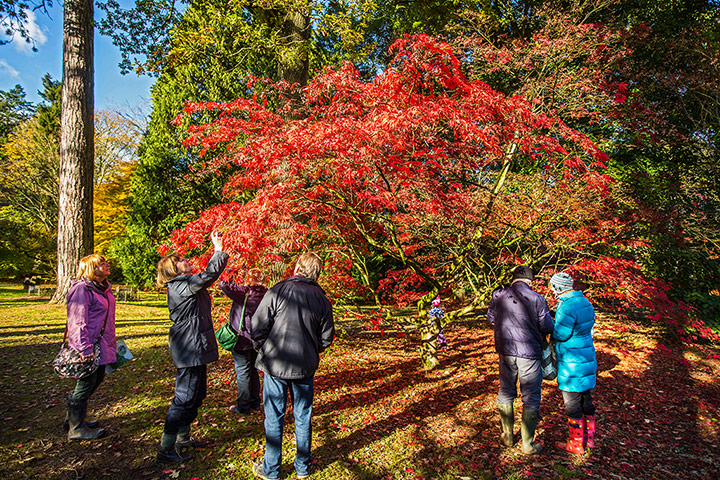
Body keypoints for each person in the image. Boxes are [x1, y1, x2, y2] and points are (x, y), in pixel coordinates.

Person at [251, 252, 335, 480]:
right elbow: (327, 338)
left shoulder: (277, 291)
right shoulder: (322, 299)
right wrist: (310, 348)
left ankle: (271, 469)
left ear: (297, 267)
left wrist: (262, 348)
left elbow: (257, 326)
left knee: (274, 416)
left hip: (276, 364)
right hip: (303, 366)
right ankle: (302, 468)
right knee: (302, 417)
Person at [155, 232, 228, 463]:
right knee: (184, 397)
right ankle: (166, 449)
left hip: (197, 344)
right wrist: (218, 249)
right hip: (189, 347)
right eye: (180, 260)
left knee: (197, 394)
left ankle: (183, 437)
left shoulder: (186, 284)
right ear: (173, 269)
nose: (186, 260)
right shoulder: (179, 285)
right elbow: (209, 275)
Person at [487, 265, 554, 454]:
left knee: (506, 391)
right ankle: (527, 444)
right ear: (530, 281)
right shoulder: (538, 299)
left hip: (506, 351)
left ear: (513, 279)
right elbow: (547, 326)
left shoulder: (498, 295)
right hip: (530, 353)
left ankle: (507, 436)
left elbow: (491, 318)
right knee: (531, 396)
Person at [63, 254, 116, 440]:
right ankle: (76, 428)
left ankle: (72, 419)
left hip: (102, 344)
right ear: (92, 269)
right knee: (86, 383)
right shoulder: (82, 290)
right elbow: (77, 321)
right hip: (89, 345)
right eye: (101, 264)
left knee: (97, 379)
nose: (106, 265)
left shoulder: (103, 289)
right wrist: (84, 349)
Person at [550, 271, 597, 455]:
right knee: (586, 398)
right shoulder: (585, 302)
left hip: (571, 359)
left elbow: (561, 334)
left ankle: (576, 443)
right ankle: (590, 440)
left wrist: (551, 327)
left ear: (558, 287)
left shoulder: (567, 306)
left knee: (572, 401)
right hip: (586, 354)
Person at [219, 268, 268, 415]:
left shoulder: (243, 293)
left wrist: (232, 270)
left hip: (241, 339)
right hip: (258, 340)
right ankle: (255, 402)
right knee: (253, 370)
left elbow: (223, 284)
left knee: (243, 372)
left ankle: (243, 406)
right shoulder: (267, 295)